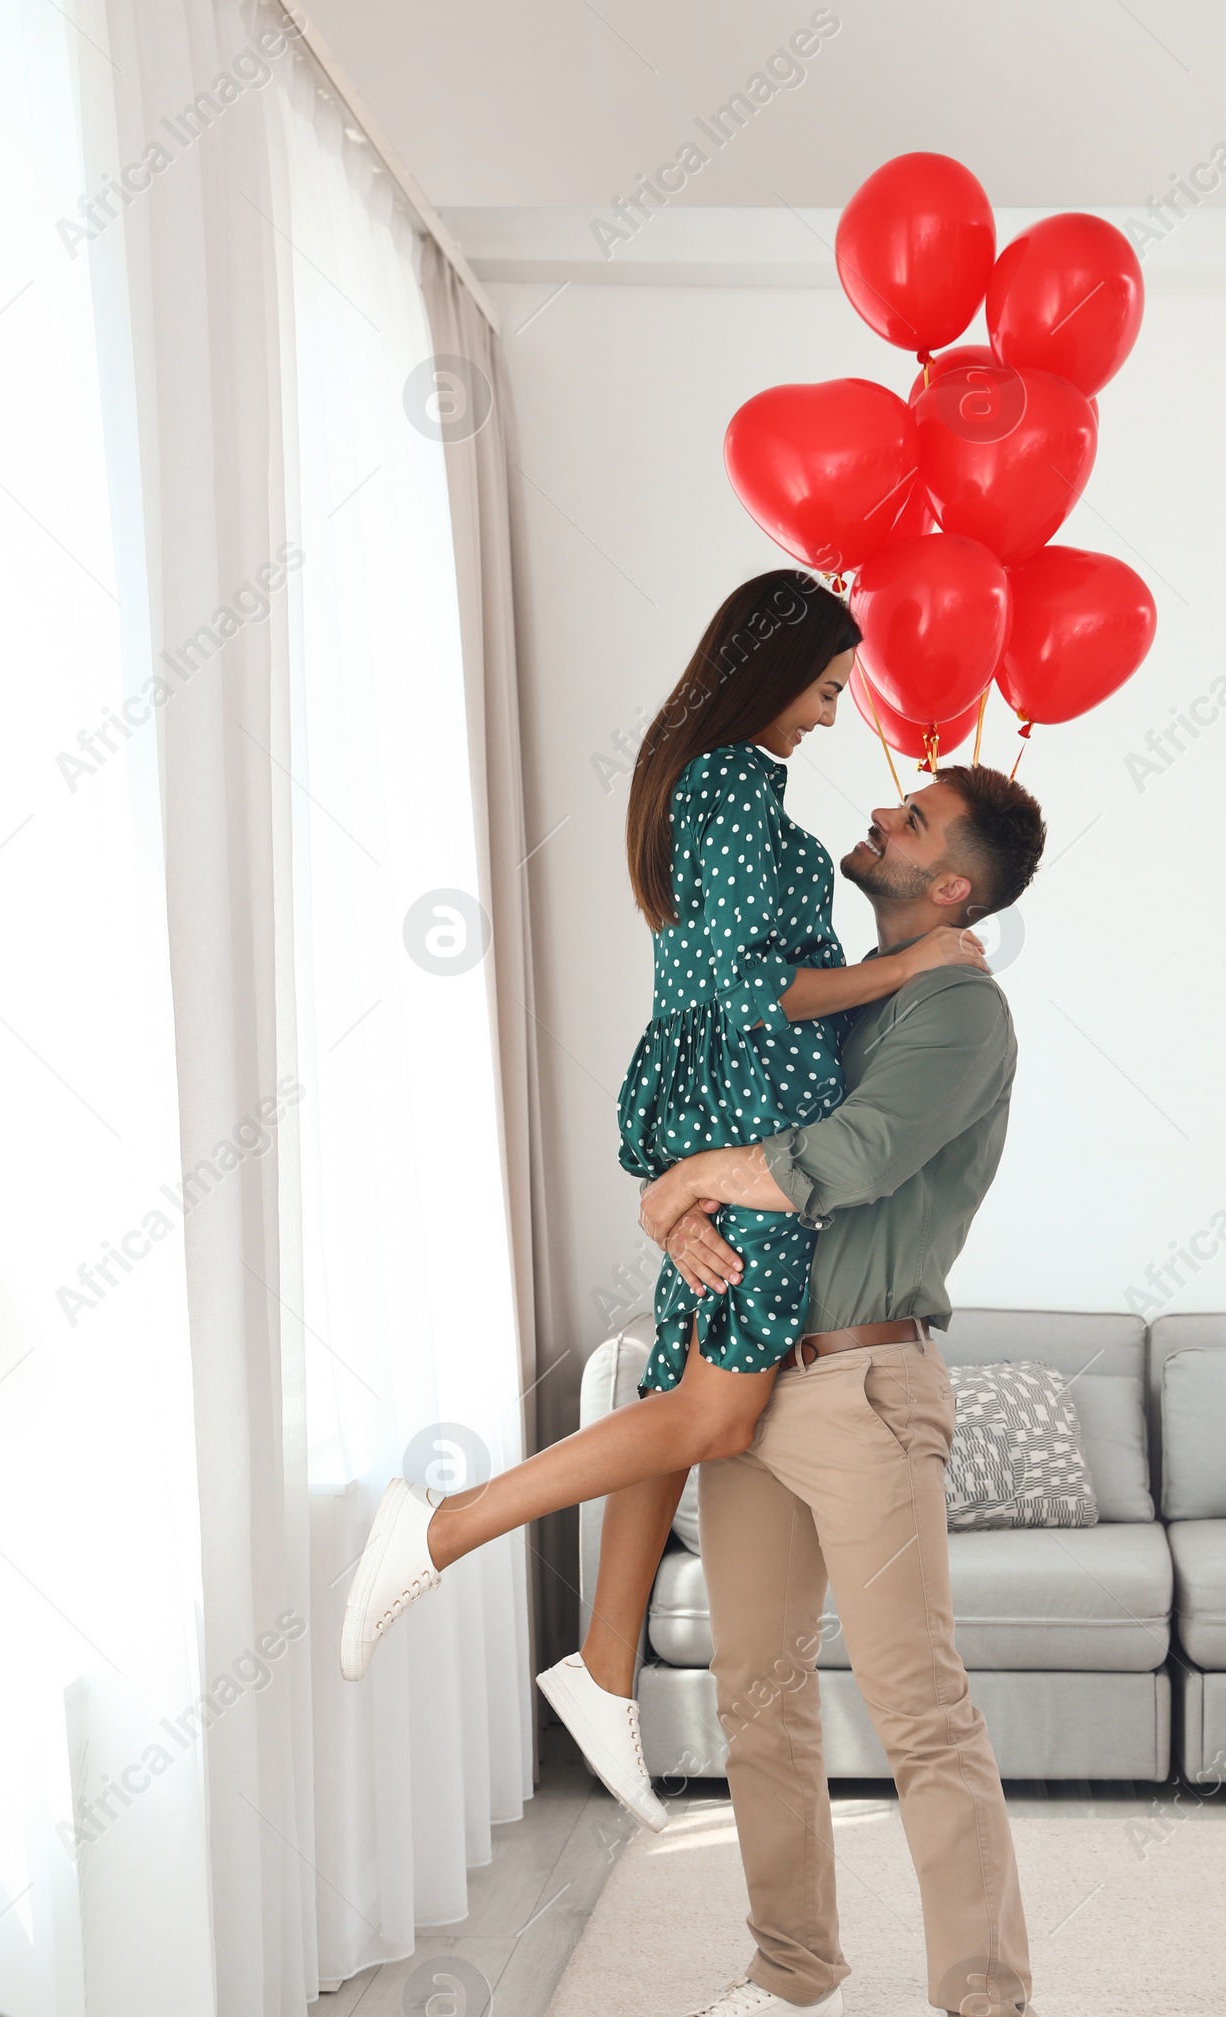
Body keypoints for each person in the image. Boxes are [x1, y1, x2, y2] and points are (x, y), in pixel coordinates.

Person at [337, 570, 988, 1832]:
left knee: (678, 1399)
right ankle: (437, 1529)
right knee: (717, 1410)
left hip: (726, 1121)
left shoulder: (713, 786)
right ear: (768, 671)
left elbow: (740, 983)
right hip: (745, 1127)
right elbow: (758, 995)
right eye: (820, 689)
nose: (827, 716)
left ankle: (600, 1668)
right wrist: (906, 961)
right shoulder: (734, 792)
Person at [635, 758, 1050, 2017]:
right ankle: (793, 1965)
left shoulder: (959, 1009)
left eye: (913, 820)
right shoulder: (830, 987)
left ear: (951, 887)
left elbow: (854, 1157)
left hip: (866, 1380)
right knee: (753, 1692)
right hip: (751, 1372)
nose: (879, 812)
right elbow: (729, 1136)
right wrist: (678, 1201)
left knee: (919, 1708)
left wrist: (701, 1177)